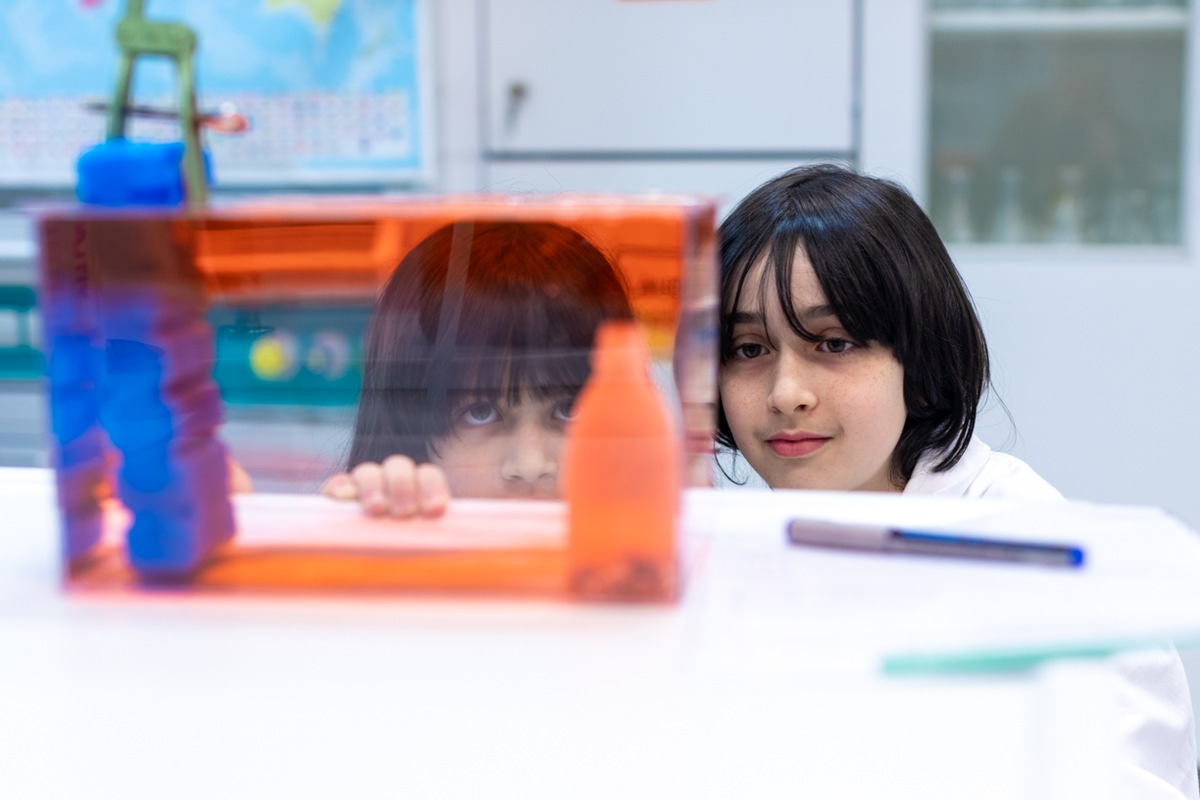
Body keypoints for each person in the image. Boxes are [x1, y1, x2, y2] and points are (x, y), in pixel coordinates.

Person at [716, 163, 1198, 797]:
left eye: (833, 343)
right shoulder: (738, 551)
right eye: (750, 349)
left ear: (918, 355)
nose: (786, 394)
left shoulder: (1044, 560)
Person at [320, 219, 633, 516]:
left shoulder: (671, 559)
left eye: (570, 408)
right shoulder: (382, 555)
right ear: (404, 438)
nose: (530, 465)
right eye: (479, 412)